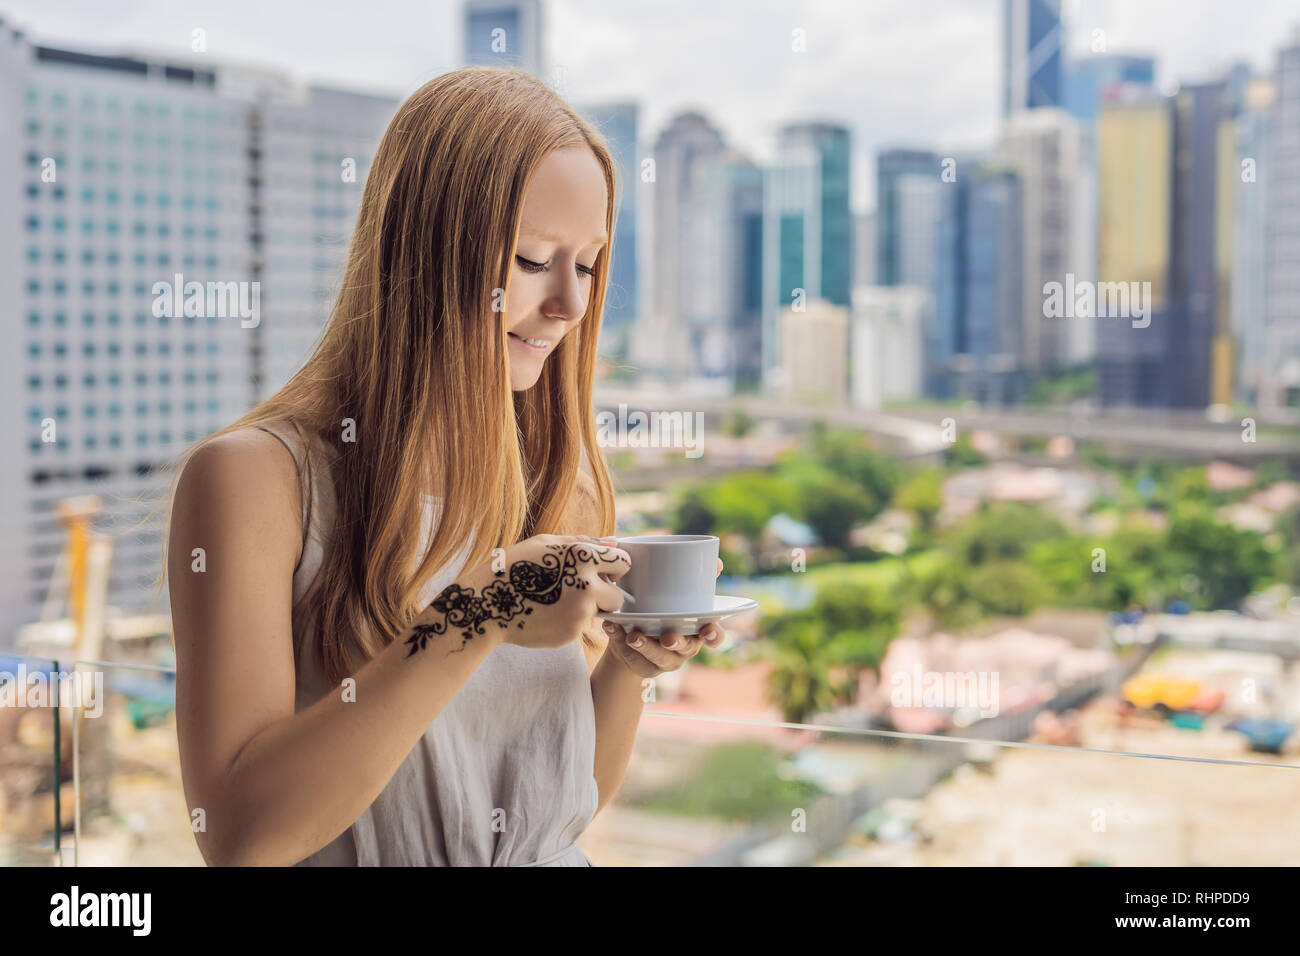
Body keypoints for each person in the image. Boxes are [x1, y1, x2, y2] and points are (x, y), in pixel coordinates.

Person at [161, 67, 724, 866]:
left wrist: (627, 670)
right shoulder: (255, 482)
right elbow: (242, 836)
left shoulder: (564, 483)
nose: (571, 303)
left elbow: (557, 813)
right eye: (533, 261)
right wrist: (481, 610)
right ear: (427, 254)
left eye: (589, 263)